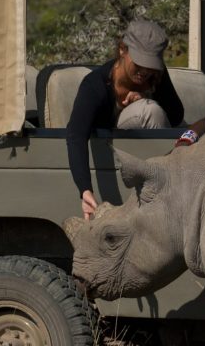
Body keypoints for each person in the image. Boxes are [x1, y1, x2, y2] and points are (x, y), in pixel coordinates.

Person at [67, 19, 184, 219]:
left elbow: (175, 116)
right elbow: (76, 134)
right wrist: (85, 189)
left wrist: (146, 96)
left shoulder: (154, 78)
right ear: (122, 50)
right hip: (111, 146)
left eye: (151, 64)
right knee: (149, 111)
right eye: (139, 63)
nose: (145, 71)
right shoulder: (95, 86)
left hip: (144, 156)